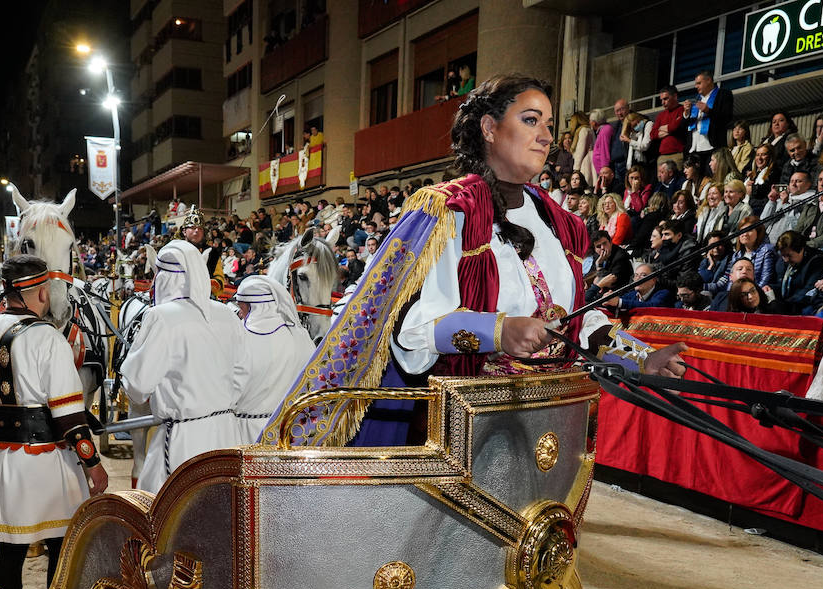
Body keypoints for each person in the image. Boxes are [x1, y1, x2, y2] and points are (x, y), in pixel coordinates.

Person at [258, 75, 686, 449]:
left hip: (550, 431)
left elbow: (576, 322)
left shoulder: (564, 226)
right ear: (489, 128)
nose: (546, 136)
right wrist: (497, 331)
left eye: (550, 125)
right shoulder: (448, 213)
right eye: (531, 120)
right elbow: (412, 331)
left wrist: (638, 357)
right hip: (468, 433)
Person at [0, 255, 108, 589]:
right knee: (60, 542)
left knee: (10, 548)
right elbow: (69, 415)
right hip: (45, 461)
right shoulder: (47, 339)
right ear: (39, 292)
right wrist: (92, 462)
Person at [122, 240, 247, 489]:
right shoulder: (225, 314)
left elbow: (137, 386)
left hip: (184, 439)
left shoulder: (161, 317)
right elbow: (243, 373)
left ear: (166, 278)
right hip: (227, 435)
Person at [232, 275, 315, 442]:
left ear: (252, 306)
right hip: (290, 431)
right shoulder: (300, 335)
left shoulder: (240, 338)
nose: (240, 313)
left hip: (245, 433)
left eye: (241, 307)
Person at [772, 231, 823, 314]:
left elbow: (808, 291)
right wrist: (770, 288)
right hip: (787, 304)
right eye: (783, 255)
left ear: (801, 249)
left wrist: (784, 305)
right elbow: (779, 283)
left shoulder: (818, 261)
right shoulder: (782, 262)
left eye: (789, 255)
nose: (786, 260)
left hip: (804, 306)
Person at [686, 70, 732, 153]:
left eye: (699, 83)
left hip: (712, 146)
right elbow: (687, 124)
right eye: (696, 84)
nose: (696, 86)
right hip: (694, 147)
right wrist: (686, 113)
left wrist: (708, 111)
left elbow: (727, 118)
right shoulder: (696, 99)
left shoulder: (723, 94)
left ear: (708, 81)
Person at [734, 215, 777, 290]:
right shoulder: (736, 255)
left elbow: (765, 280)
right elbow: (731, 279)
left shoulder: (767, 250)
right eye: (742, 231)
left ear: (758, 232)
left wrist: (749, 293)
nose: (745, 234)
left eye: (749, 230)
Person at [609, 262, 674, 312]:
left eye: (643, 275)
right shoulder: (631, 295)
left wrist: (620, 302)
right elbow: (616, 302)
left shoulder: (663, 294)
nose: (638, 278)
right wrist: (609, 300)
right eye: (636, 275)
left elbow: (651, 307)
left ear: (653, 280)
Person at [651, 85, 688, 169]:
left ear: (675, 96)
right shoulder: (661, 115)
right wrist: (670, 129)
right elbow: (653, 134)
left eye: (665, 99)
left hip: (677, 154)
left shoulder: (682, 109)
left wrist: (662, 128)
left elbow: (676, 126)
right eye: (661, 100)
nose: (662, 103)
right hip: (662, 155)